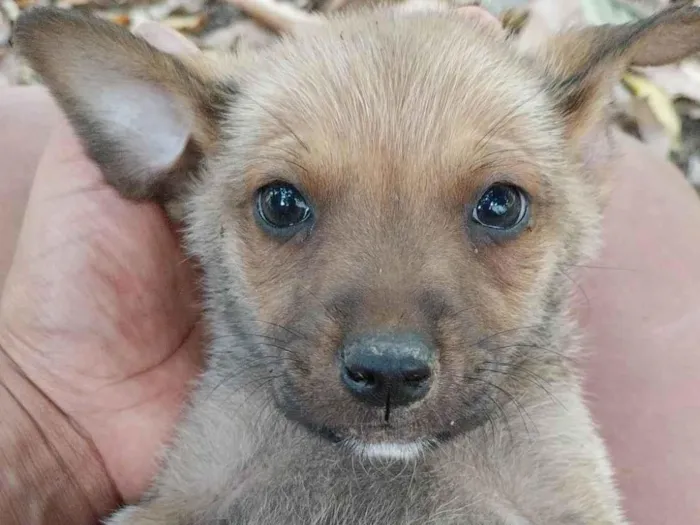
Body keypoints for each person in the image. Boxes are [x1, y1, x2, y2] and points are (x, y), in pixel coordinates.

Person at [0, 21, 698, 525]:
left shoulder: (532, 423)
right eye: (284, 206)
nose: (390, 348)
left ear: (580, 175)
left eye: (497, 206)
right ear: (184, 166)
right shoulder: (241, 413)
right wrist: (44, 418)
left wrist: (50, 423)